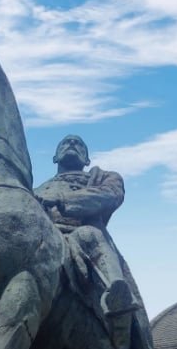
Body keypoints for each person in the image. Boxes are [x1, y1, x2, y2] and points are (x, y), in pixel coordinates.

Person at [34, 135, 139, 318]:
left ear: (87, 160)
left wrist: (63, 200)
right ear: (54, 158)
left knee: (89, 235)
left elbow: (110, 195)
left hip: (82, 237)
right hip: (46, 239)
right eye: (65, 142)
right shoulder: (38, 190)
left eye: (79, 144)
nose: (72, 143)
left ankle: (116, 293)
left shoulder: (104, 178)